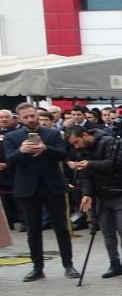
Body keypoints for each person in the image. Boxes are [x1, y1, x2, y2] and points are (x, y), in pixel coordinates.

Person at [3, 103, 80, 281]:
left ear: (37, 115)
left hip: (53, 187)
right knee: (33, 230)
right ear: (20, 119)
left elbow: (63, 155)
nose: (31, 119)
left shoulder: (52, 134)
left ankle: (68, 265)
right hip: (27, 189)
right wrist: (21, 151)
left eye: (33, 116)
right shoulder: (12, 137)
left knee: (61, 228)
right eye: (26, 117)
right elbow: (9, 161)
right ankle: (37, 267)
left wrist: (46, 149)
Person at [66, 126, 122, 279]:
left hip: (121, 192)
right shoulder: (81, 151)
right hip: (102, 195)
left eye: (77, 142)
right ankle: (114, 263)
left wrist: (90, 164)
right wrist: (86, 194)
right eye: (73, 144)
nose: (76, 147)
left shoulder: (109, 141)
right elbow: (84, 175)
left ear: (84, 135)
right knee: (107, 232)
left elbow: (115, 164)